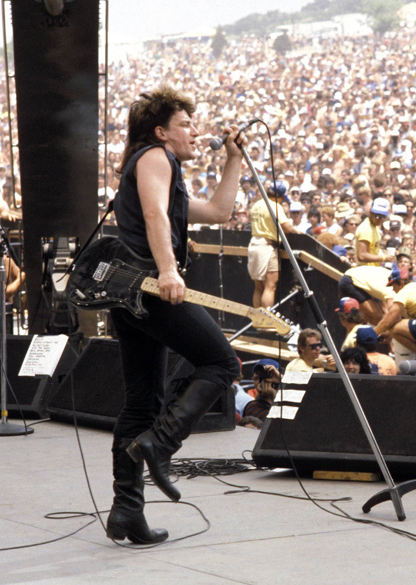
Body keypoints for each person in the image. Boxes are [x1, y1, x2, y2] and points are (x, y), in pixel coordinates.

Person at [105, 86, 243, 545]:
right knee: (223, 362)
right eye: (186, 123)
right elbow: (152, 214)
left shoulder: (164, 169)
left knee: (141, 400)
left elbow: (220, 211)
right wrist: (168, 269)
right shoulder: (155, 157)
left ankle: (127, 511)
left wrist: (234, 160)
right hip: (149, 285)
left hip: (130, 294)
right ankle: (160, 445)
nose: (195, 130)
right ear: (162, 130)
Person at [248, 179, 296, 308]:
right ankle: (267, 321)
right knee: (270, 286)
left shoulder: (257, 204)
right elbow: (287, 228)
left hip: (254, 243)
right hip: (267, 246)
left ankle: (259, 321)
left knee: (258, 287)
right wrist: (298, 231)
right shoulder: (275, 206)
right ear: (280, 197)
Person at [355, 197, 392, 266]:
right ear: (370, 212)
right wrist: (383, 258)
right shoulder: (366, 229)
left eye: (383, 217)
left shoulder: (375, 227)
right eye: (377, 216)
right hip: (365, 270)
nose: (380, 219)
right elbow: (361, 255)